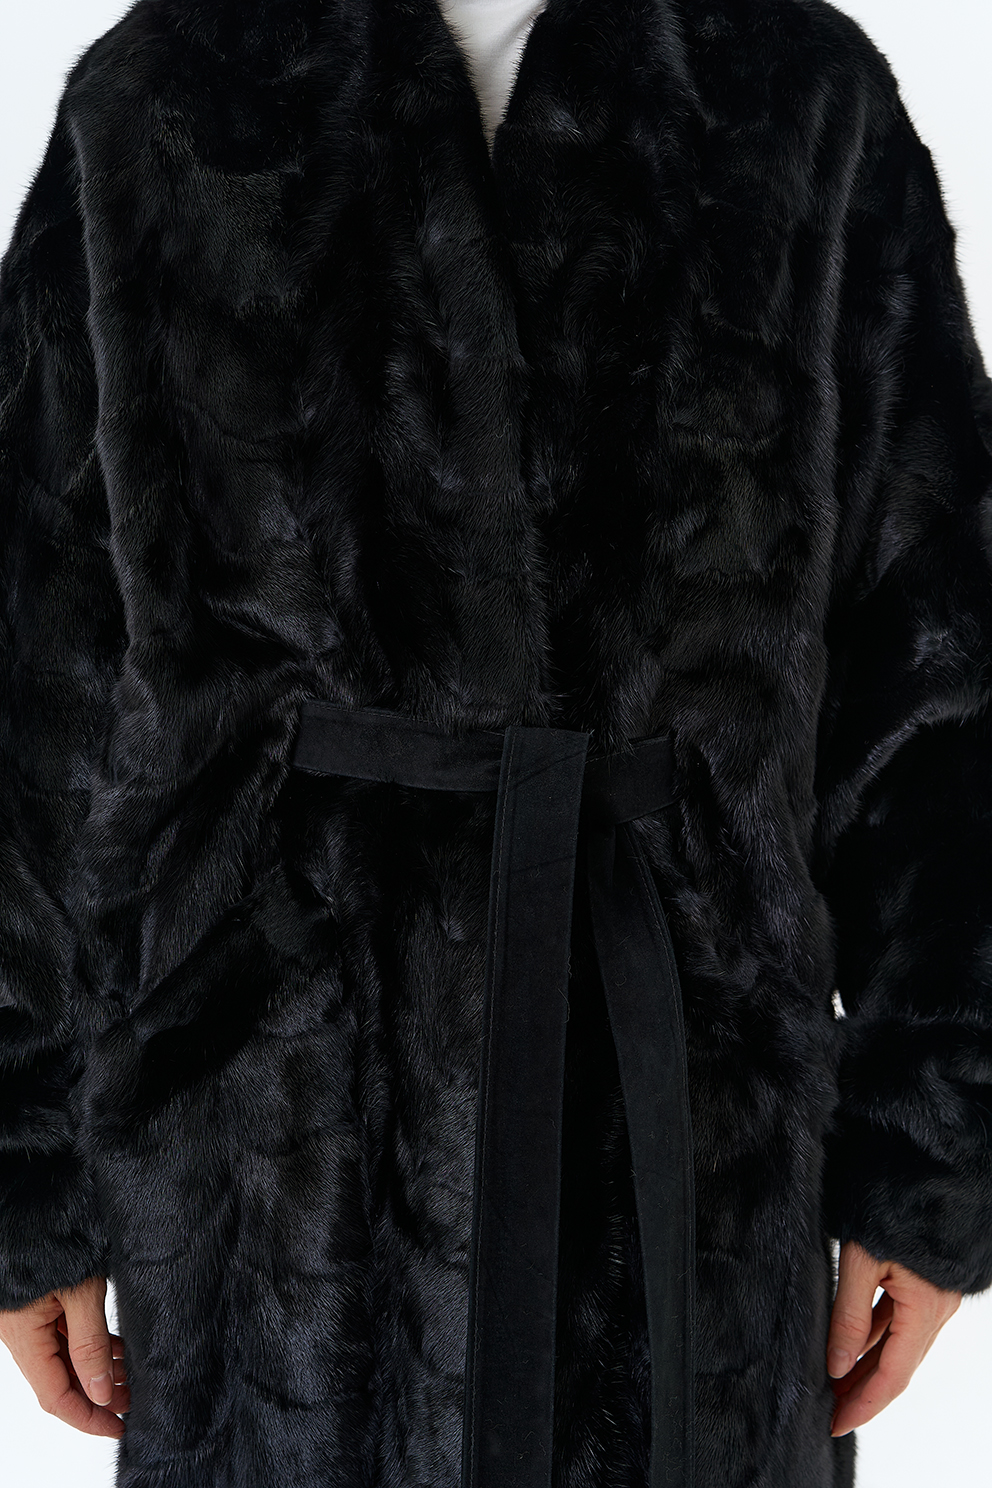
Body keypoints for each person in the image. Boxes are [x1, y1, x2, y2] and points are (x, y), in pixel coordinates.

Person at [0, 0, 989, 1484]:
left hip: (682, 1157)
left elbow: (938, 684)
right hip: (279, 1169)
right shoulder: (172, 96)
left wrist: (930, 1158)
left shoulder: (793, 97)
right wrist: (29, 1173)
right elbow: (34, 678)